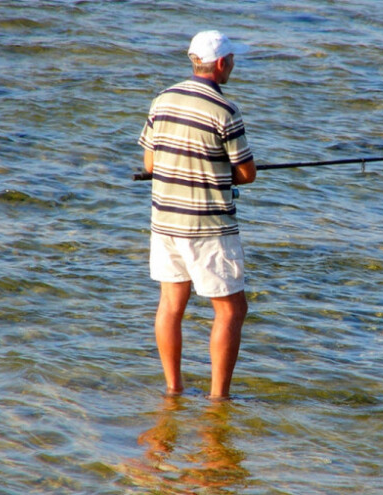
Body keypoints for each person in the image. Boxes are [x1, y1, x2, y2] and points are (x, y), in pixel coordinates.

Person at [138, 30, 256, 399]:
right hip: (209, 227)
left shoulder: (161, 100)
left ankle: (173, 390)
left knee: (171, 305)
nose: (233, 65)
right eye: (232, 60)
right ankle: (218, 399)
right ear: (221, 63)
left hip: (164, 223)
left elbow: (150, 164)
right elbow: (247, 174)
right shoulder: (225, 110)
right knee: (231, 310)